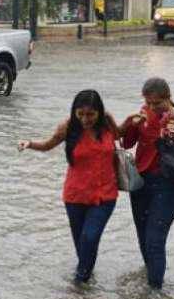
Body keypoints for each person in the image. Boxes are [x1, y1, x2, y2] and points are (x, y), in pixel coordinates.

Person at [20, 90, 121, 284]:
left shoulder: (107, 123)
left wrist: (136, 121)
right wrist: (30, 144)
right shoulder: (68, 128)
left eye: (90, 114)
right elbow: (48, 145)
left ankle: (79, 284)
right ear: (74, 112)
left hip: (105, 196)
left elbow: (120, 133)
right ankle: (86, 289)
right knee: (82, 245)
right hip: (75, 196)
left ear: (99, 112)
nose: (85, 119)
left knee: (90, 238)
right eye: (80, 114)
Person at [121, 77, 174, 289]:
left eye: (156, 103)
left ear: (168, 98)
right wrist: (132, 123)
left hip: (167, 186)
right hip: (140, 185)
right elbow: (126, 142)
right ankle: (150, 285)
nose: (152, 107)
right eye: (148, 102)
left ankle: (155, 293)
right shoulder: (143, 114)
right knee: (143, 240)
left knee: (154, 240)